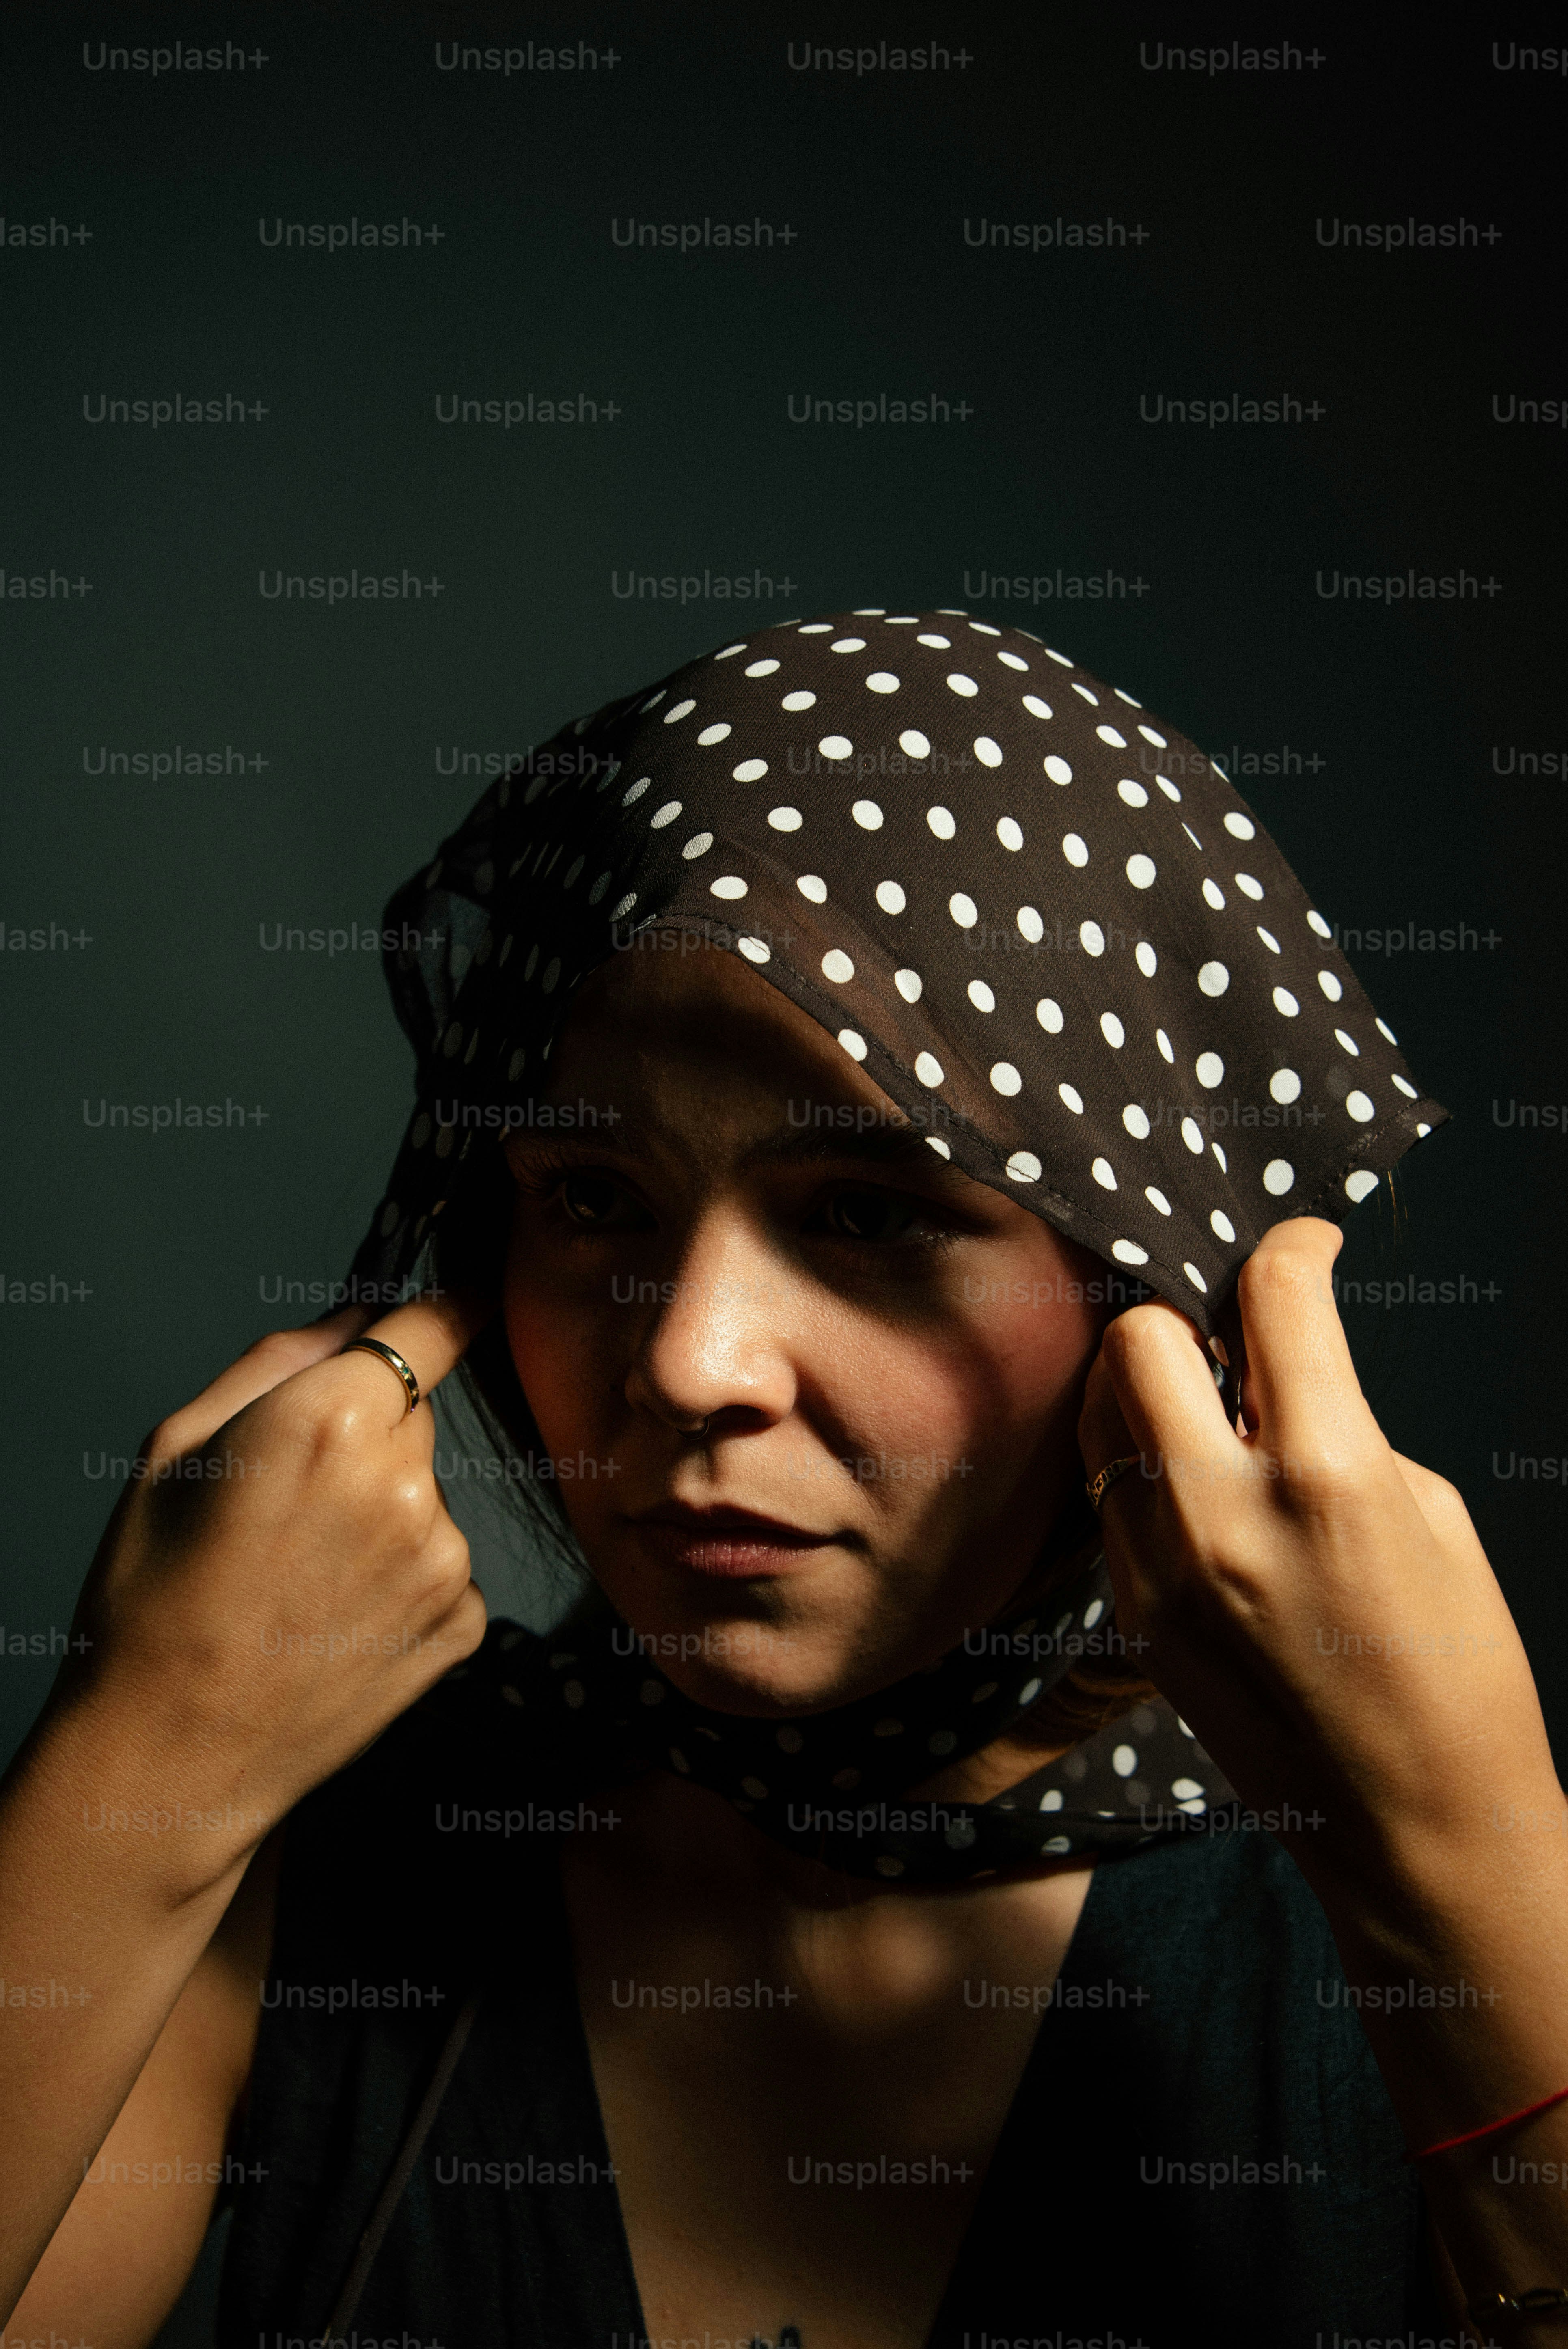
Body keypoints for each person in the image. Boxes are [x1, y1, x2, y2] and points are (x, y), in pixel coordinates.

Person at [3, 609, 1565, 2349]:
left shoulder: (1396, 1918)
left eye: (873, 1213)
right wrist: (132, 1763)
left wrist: (1469, 1872)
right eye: (592, 1198)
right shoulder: (344, 1847)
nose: (687, 1361)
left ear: (1162, 1298)